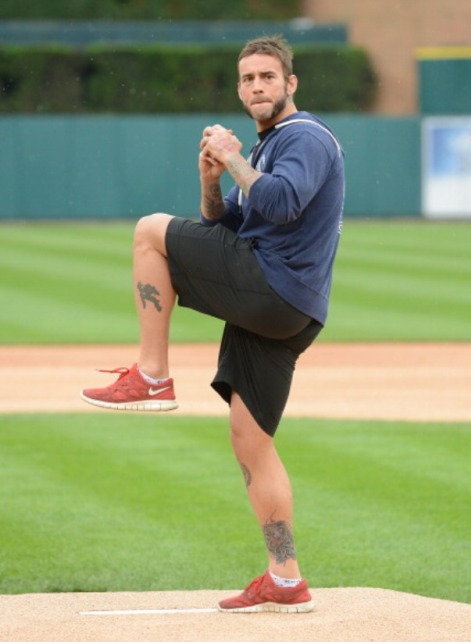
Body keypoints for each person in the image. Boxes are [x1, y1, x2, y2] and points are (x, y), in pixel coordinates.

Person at [81, 34, 345, 613]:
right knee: (251, 441)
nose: (257, 86)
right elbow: (226, 224)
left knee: (151, 229)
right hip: (288, 312)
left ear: (290, 84)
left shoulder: (305, 137)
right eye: (248, 79)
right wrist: (211, 178)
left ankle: (152, 374)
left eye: (268, 77)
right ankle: (284, 577)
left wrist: (232, 157)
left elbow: (279, 203)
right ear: (239, 87)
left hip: (276, 289)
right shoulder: (270, 145)